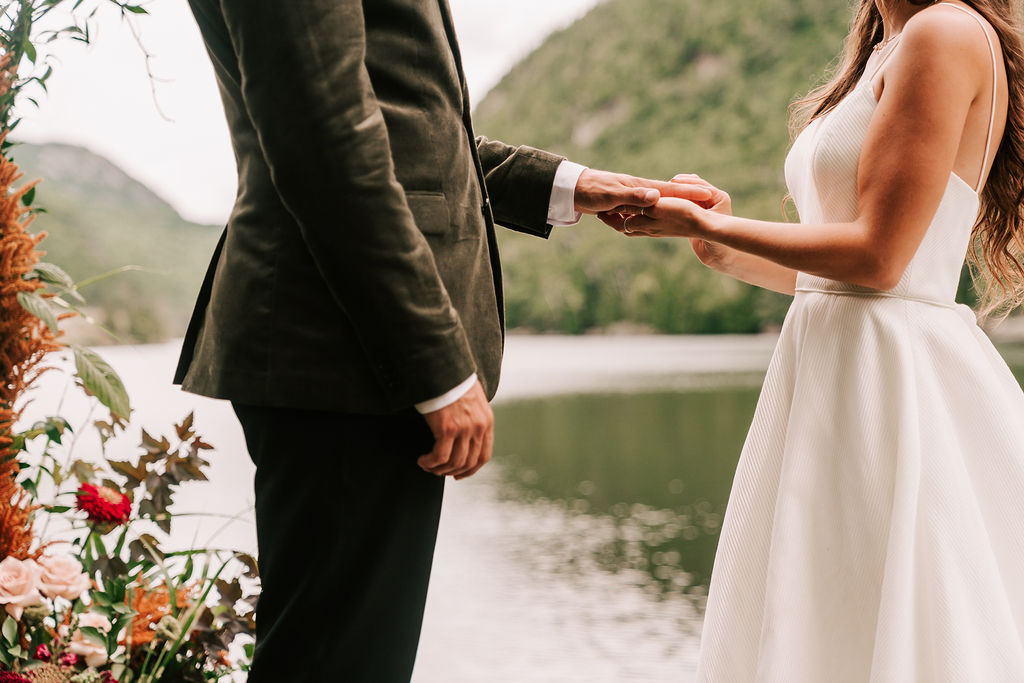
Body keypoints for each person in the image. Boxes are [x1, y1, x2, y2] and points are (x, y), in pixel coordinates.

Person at [175, 1, 710, 681]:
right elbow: (322, 133)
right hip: (345, 351)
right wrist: (435, 368)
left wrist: (567, 184)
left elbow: (406, 132)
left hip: (348, 351)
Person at [604, 0, 1024, 679]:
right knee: (822, 623)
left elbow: (880, 259)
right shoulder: (888, 44)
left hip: (884, 384)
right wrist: (717, 242)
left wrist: (713, 229)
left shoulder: (945, 31)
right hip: (827, 368)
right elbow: (831, 274)